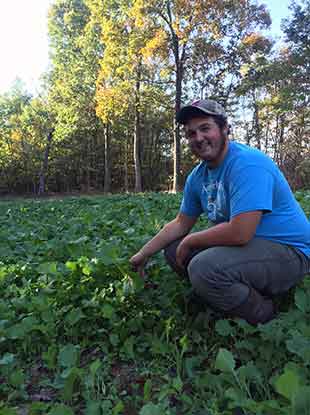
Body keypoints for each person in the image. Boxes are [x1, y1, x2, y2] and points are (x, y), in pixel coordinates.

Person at [130, 99, 310, 325]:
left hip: (291, 252)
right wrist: (143, 253)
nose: (198, 138)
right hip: (251, 247)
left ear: (225, 128)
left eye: (205, 128)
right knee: (173, 249)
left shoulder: (248, 164)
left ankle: (264, 314)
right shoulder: (198, 176)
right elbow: (180, 224)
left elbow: (240, 233)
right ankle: (227, 289)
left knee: (203, 266)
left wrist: (192, 241)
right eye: (191, 133)